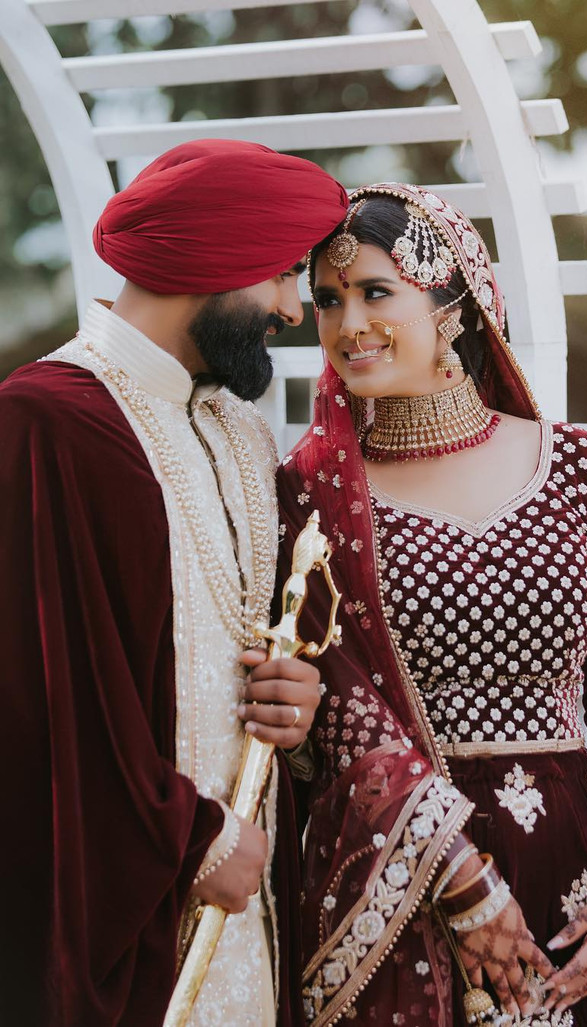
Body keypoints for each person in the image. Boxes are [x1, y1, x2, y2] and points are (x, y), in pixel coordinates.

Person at [276, 185, 587, 1026]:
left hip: (573, 876)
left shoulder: (573, 464)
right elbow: (344, 709)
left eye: (377, 292)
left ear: (452, 301)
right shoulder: (316, 492)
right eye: (327, 299)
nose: (349, 324)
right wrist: (459, 879)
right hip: (405, 881)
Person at [0, 139, 349, 1026]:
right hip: (118, 939)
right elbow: (44, 707)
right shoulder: (44, 425)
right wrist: (194, 842)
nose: (287, 307)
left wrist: (295, 700)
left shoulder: (242, 434)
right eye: (278, 275)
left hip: (247, 924)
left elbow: (274, 635)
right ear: (209, 261)